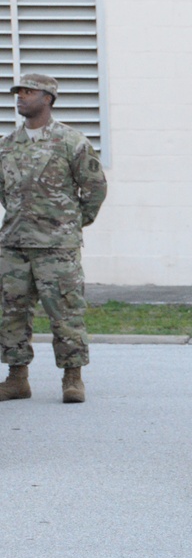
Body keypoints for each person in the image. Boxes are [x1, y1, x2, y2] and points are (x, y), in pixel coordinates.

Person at [0, 74, 107, 404]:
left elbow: (94, 189)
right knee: (11, 311)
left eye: (28, 92)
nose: (20, 98)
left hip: (57, 247)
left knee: (66, 312)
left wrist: (70, 225)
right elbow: (6, 193)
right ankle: (17, 377)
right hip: (15, 244)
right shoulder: (6, 145)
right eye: (18, 92)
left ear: (47, 98)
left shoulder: (71, 142)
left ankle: (72, 377)